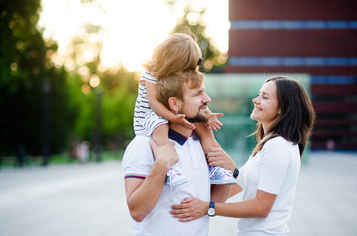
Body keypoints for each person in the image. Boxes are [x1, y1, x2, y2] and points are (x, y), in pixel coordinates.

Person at [170, 76, 315, 236]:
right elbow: (234, 185)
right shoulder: (270, 143)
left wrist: (208, 207)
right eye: (259, 94)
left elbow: (261, 208)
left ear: (282, 108)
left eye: (264, 97)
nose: (255, 100)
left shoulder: (277, 146)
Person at [123, 70, 233, 235]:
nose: (207, 99)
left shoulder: (200, 143)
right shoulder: (144, 144)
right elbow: (137, 212)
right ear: (174, 104)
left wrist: (230, 170)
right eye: (198, 94)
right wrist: (162, 165)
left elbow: (213, 201)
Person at [133, 32, 236, 187]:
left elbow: (193, 101)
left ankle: (215, 168)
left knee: (203, 126)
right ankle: (169, 167)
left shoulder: (178, 78)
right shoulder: (151, 75)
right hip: (149, 116)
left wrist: (207, 116)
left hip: (168, 111)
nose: (195, 67)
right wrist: (173, 118)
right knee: (160, 126)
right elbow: (154, 103)